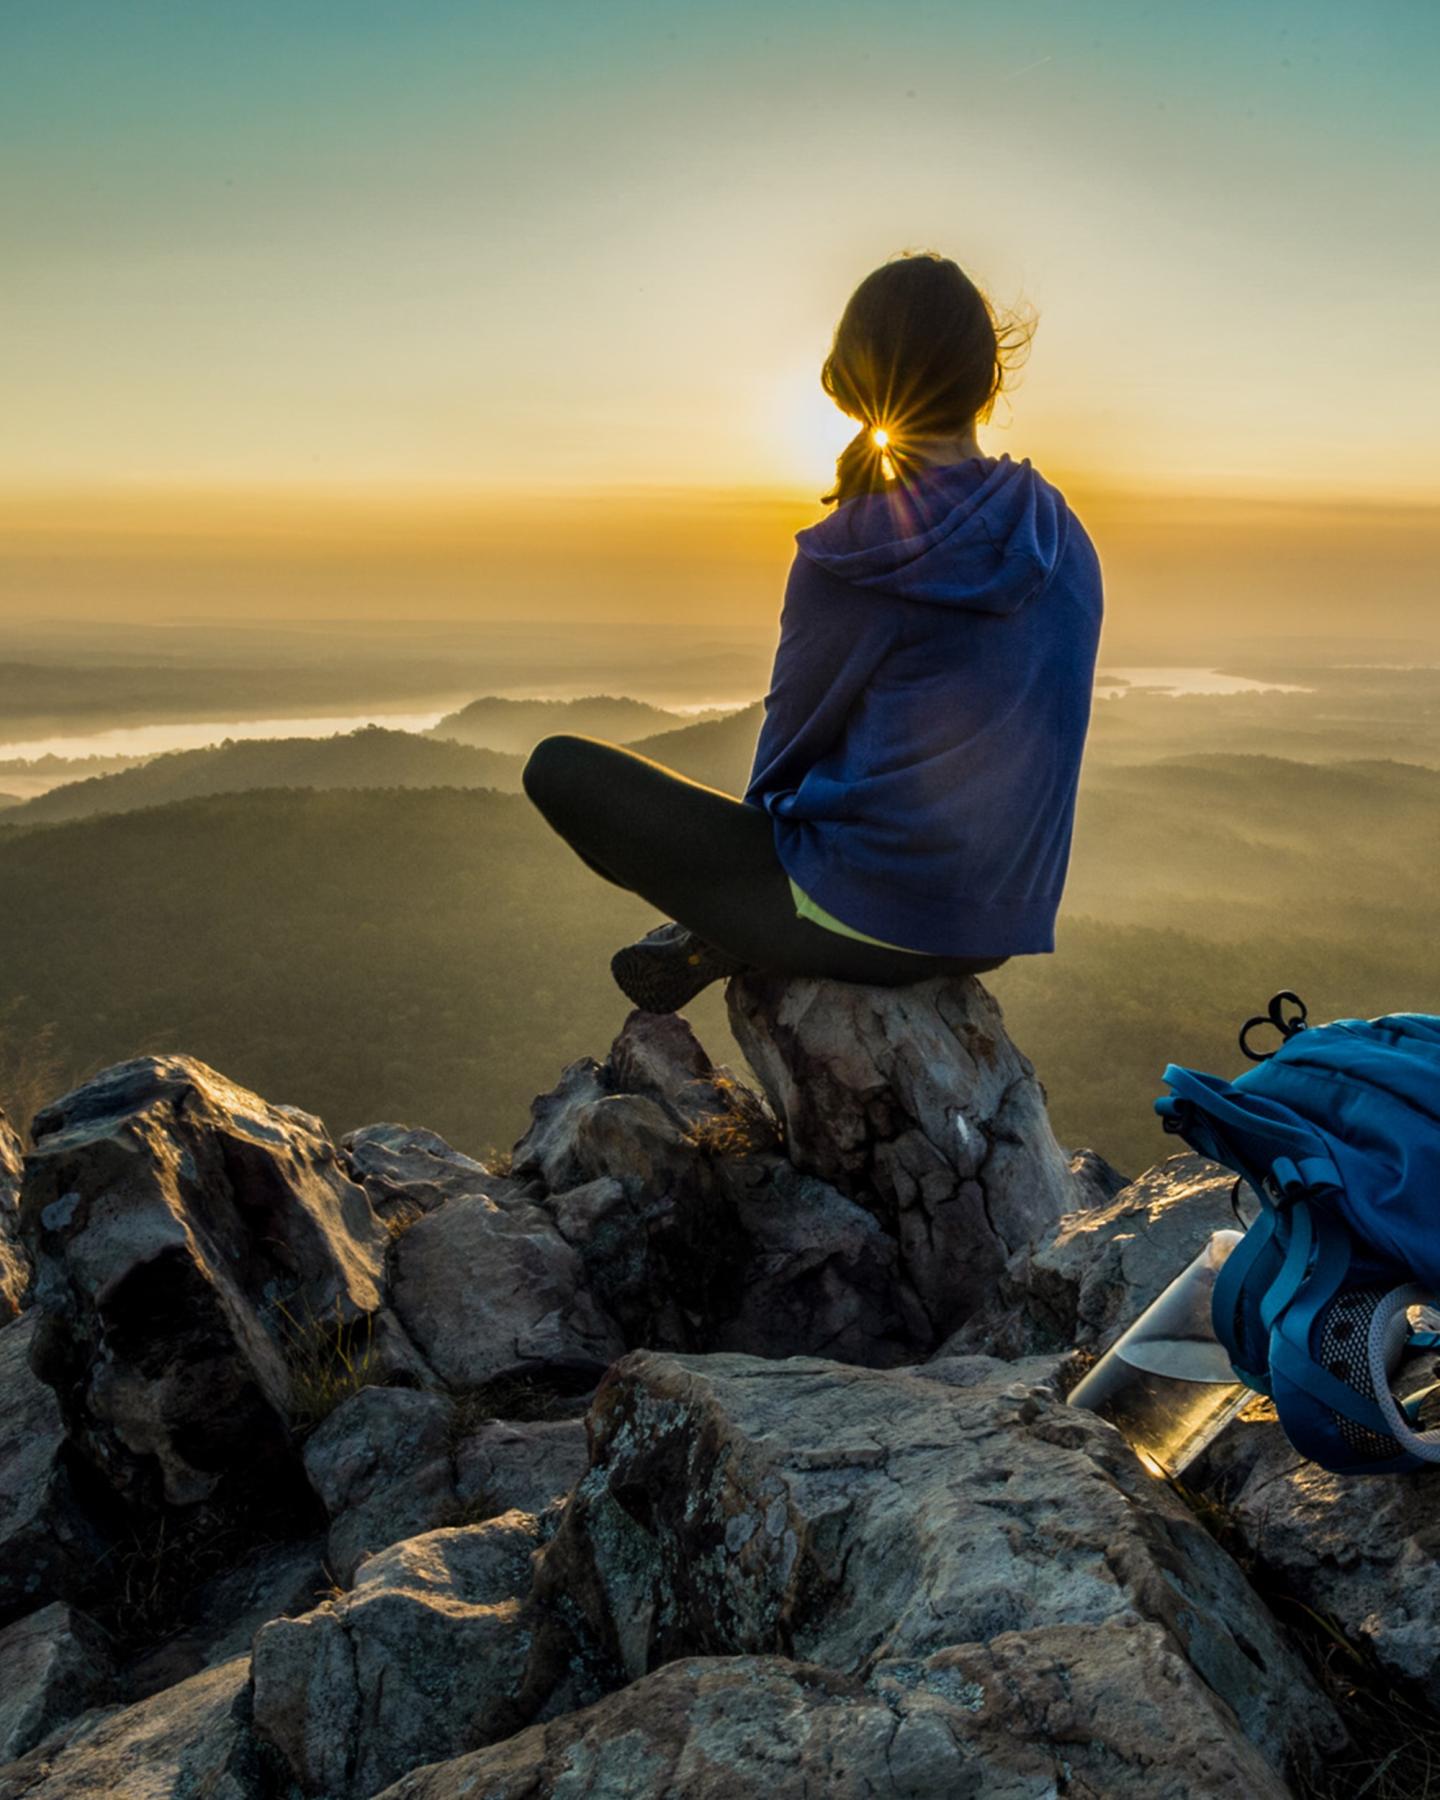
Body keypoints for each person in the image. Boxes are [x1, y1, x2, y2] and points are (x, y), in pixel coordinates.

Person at [523, 250, 1104, 1013]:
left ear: (852, 380)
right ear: (987, 380)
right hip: (998, 923)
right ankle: (737, 930)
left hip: (868, 917)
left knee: (558, 767)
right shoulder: (1057, 530)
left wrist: (742, 885)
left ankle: (732, 931)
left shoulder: (858, 553)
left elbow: (783, 760)